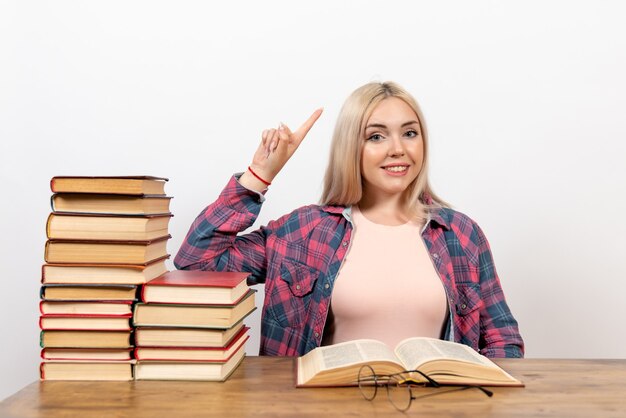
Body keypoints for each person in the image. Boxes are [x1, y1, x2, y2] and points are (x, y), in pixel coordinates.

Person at [174, 81, 524, 358]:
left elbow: (503, 341)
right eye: (376, 136)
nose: (397, 149)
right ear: (350, 148)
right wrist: (259, 176)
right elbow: (197, 264)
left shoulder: (461, 234)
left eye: (409, 132)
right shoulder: (303, 232)